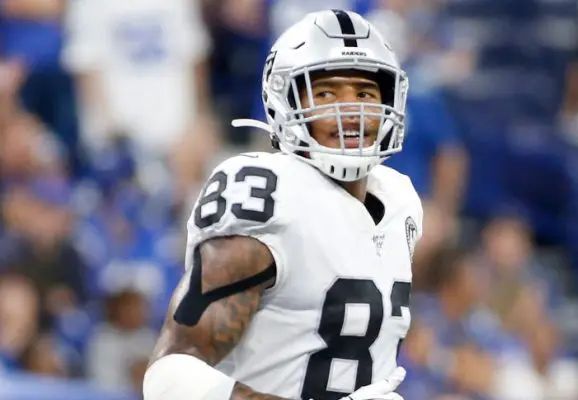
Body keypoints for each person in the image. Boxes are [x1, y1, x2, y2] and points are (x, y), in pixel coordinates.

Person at [142, 9, 421, 400]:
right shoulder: (268, 194)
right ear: (285, 102)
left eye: (365, 93)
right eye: (326, 93)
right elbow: (171, 375)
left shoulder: (400, 201)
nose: (351, 110)